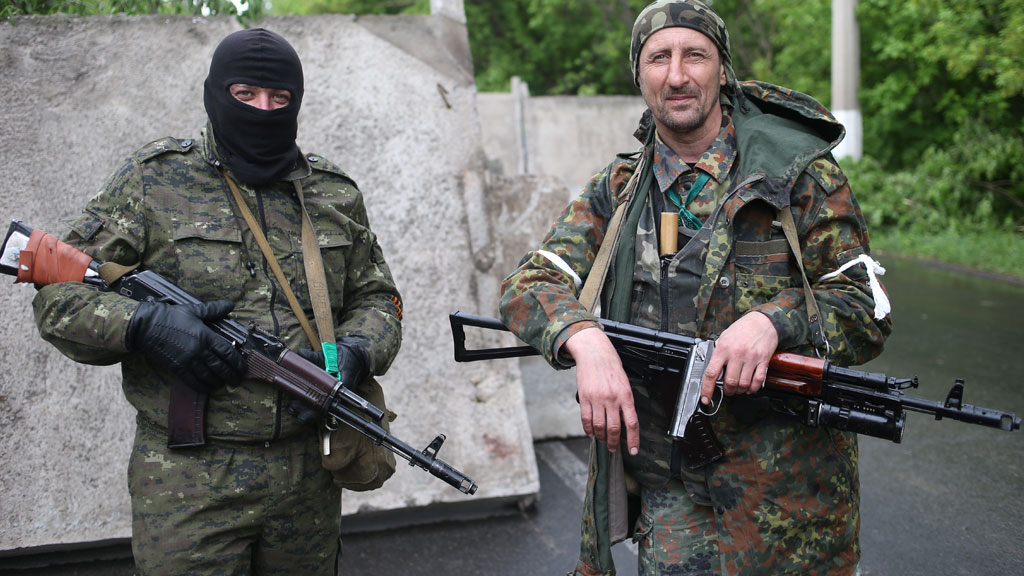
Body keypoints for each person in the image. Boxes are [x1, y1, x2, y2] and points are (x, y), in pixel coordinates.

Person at [499, 1, 893, 574]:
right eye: (659, 58)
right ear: (640, 77)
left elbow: (865, 308)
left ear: (722, 70)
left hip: (788, 501)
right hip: (672, 495)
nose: (677, 75)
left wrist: (774, 322)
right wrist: (585, 340)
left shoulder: (796, 177)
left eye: (695, 56)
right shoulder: (619, 190)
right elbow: (529, 283)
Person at [32, 28, 403, 575]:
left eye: (279, 98)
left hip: (306, 476)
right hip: (188, 481)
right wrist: (144, 325)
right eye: (245, 94)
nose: (263, 110)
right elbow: (60, 299)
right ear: (215, 93)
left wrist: (354, 352)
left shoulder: (331, 192)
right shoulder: (154, 181)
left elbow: (378, 297)